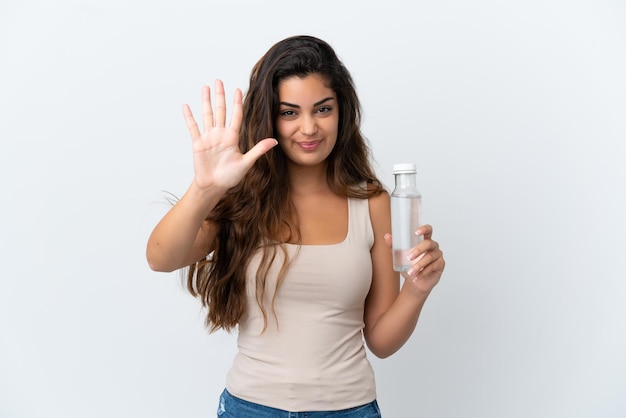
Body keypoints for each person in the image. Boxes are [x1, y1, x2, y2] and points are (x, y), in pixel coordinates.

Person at [146, 35, 445, 417]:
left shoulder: (372, 203)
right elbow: (160, 258)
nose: (308, 128)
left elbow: (382, 341)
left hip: (349, 409)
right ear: (268, 116)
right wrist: (205, 188)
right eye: (289, 112)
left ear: (342, 112)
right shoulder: (240, 200)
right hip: (250, 408)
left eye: (322, 109)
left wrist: (417, 289)